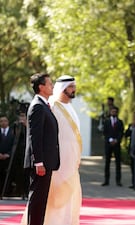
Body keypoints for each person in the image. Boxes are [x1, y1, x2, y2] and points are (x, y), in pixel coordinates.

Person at [40, 75, 82, 224]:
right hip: (58, 162)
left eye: (74, 86)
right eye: (71, 87)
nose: (73, 89)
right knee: (56, 195)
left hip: (71, 162)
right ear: (63, 88)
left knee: (71, 196)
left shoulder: (70, 107)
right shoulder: (52, 106)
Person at [22, 73, 60, 225]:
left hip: (46, 161)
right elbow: (34, 136)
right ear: (41, 87)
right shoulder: (38, 106)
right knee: (37, 200)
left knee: (41, 200)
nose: (52, 86)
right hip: (41, 163)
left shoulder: (44, 105)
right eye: (50, 84)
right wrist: (38, 162)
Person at [102, 106, 124, 186]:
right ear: (110, 112)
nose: (114, 113)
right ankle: (106, 180)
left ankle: (118, 180)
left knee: (118, 163)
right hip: (108, 144)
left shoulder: (120, 122)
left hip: (117, 144)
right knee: (107, 162)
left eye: (115, 111)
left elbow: (121, 132)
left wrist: (117, 140)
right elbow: (105, 132)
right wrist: (109, 140)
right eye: (112, 111)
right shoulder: (106, 121)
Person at [0, 115, 14, 195]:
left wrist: (8, 154)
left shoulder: (13, 132)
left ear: (8, 122)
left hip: (9, 159)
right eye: (1, 121)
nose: (3, 123)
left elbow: (15, 145)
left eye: (5, 121)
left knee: (8, 177)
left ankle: (7, 193)